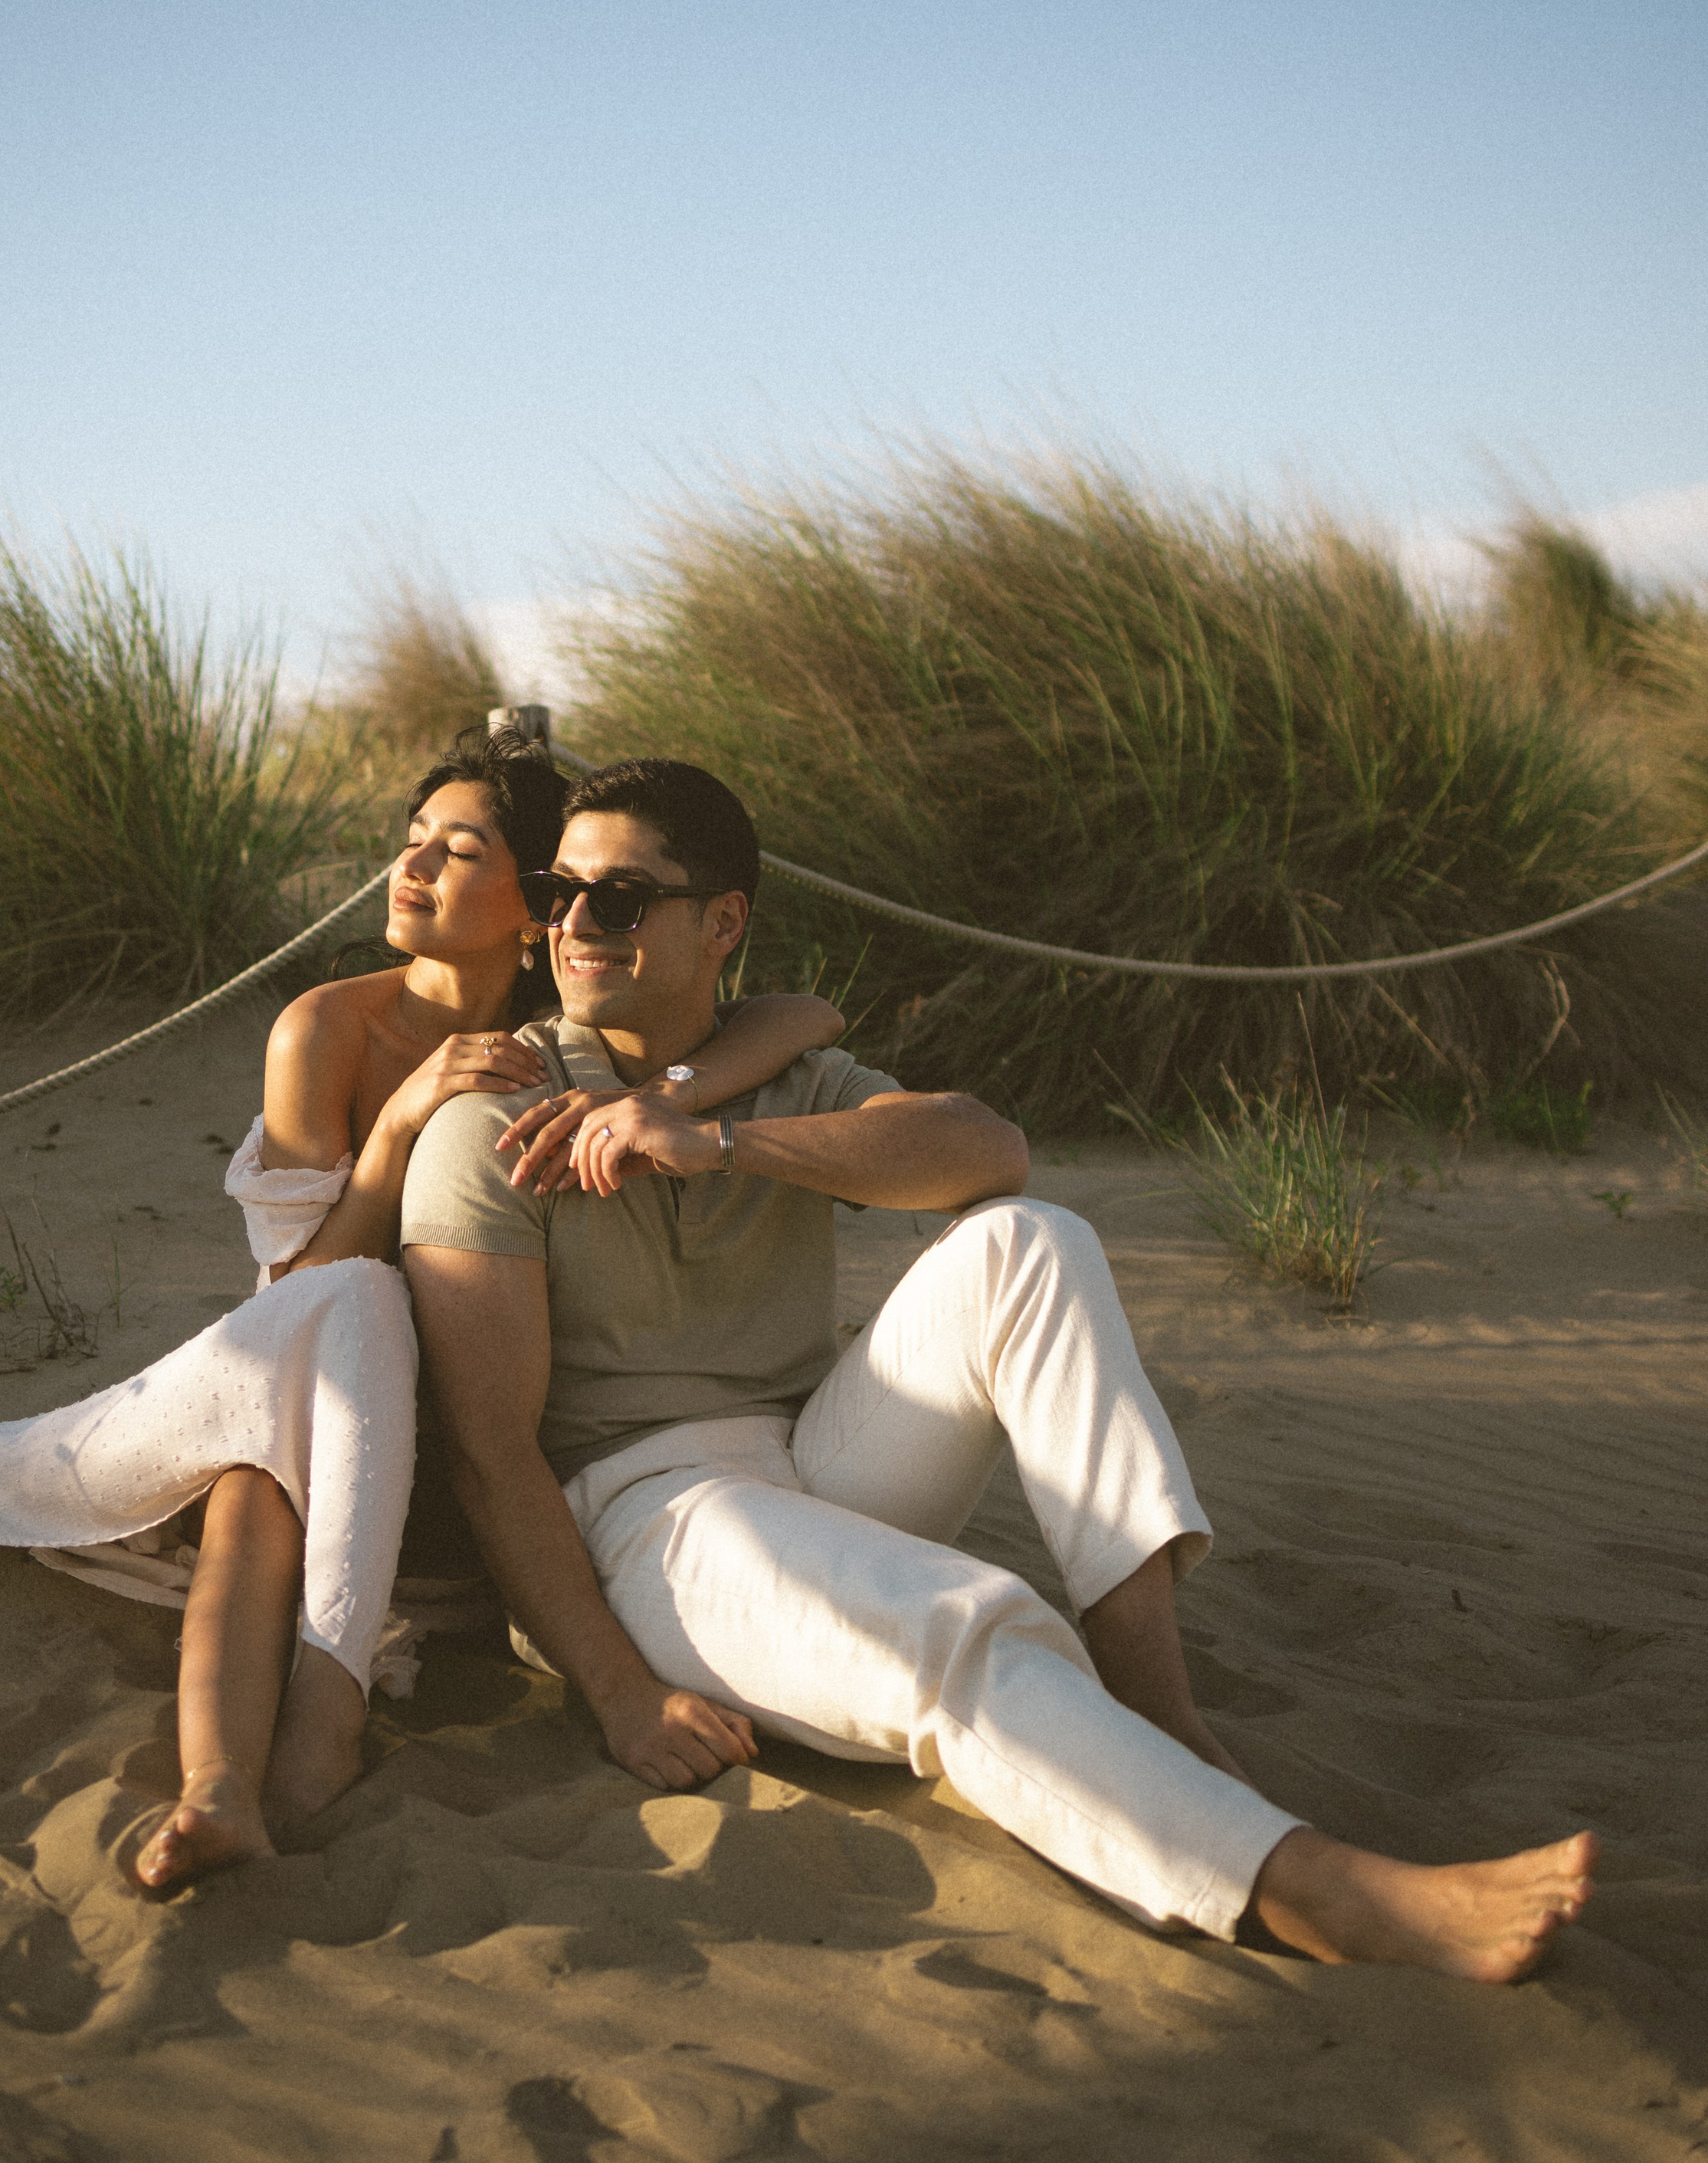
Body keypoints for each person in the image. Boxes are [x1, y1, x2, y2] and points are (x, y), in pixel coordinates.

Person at [399, 756, 1598, 1981]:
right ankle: (1308, 1887)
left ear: (724, 924)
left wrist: (716, 1140)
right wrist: (616, 1692)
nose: (576, 924)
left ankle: (1159, 1712)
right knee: (959, 1623)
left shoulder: (772, 1080)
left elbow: (989, 1148)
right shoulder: (492, 1121)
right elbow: (493, 1453)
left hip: (810, 1449)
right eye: (559, 893)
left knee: (1034, 1242)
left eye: (621, 896)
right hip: (646, 1519)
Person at [0, 727, 846, 1893]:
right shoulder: (328, 1027)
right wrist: (398, 1131)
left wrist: (676, 1097)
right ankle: (232, 1779)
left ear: (537, 902)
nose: (415, 867)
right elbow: (295, 1302)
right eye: (411, 842)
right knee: (284, 1434)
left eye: (463, 849)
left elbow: (802, 1016)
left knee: (347, 1379)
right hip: (295, 1374)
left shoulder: (579, 1024)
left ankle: (294, 1742)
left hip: (462, 1429)